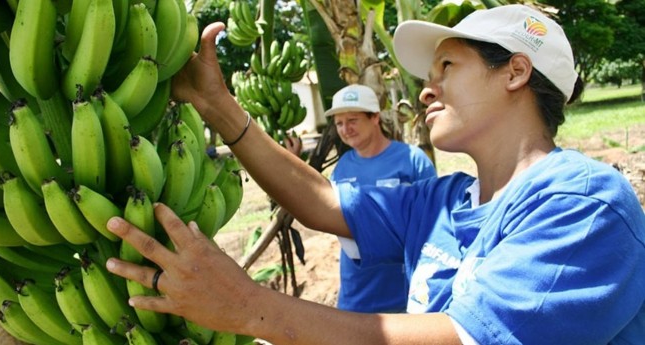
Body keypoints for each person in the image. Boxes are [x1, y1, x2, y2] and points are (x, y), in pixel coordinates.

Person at [105, 4, 645, 344]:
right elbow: (321, 200)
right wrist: (218, 106)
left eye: (447, 69)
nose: (426, 90)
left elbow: (464, 337)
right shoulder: (441, 200)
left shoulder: (583, 203)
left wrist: (249, 308)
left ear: (516, 72)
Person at [324, 83, 436, 313]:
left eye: (352, 120)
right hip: (356, 293)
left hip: (405, 293)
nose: (345, 129)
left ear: (375, 117)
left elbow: (432, 224)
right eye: (339, 123)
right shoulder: (342, 167)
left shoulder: (412, 160)